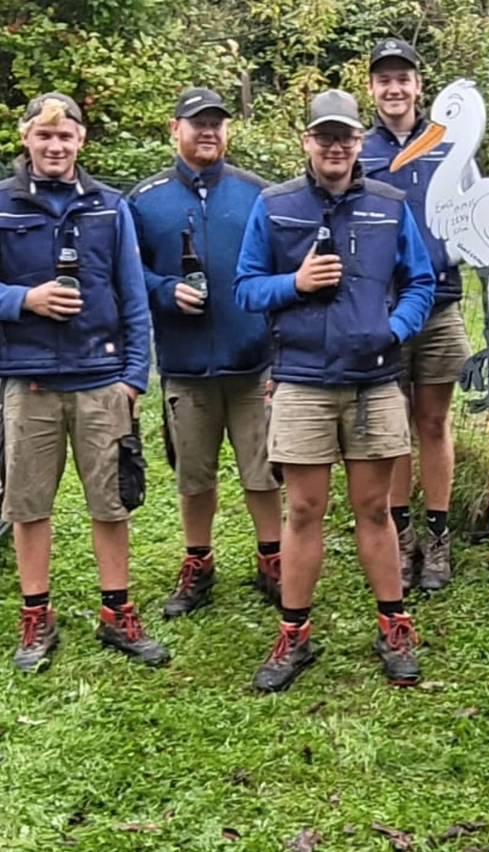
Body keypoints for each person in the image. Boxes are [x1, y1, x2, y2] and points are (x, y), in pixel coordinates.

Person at [234, 89, 435, 692]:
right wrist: (293, 283)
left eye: (345, 136)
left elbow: (421, 281)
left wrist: (392, 330)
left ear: (357, 142)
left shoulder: (389, 204)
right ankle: (294, 633)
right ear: (307, 143)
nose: (336, 146)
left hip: (374, 382)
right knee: (303, 511)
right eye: (324, 136)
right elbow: (245, 289)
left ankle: (393, 624)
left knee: (376, 510)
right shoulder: (275, 206)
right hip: (302, 381)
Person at [0, 93, 169, 671]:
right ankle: (35, 616)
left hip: (102, 381)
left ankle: (117, 612)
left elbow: (133, 296)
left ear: (81, 142)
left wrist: (133, 379)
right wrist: (25, 299)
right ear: (25, 138)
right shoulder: (3, 204)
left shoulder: (108, 205)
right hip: (30, 384)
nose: (55, 146)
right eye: (44, 136)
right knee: (28, 506)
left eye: (65, 137)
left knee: (111, 503)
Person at [129, 87, 282, 618]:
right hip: (186, 363)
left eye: (217, 122)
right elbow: (128, 273)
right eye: (197, 123)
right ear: (176, 130)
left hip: (252, 361)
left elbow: (279, 269)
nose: (208, 131)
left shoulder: (257, 194)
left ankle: (272, 557)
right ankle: (198, 560)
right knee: (194, 474)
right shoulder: (145, 200)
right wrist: (163, 290)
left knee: (262, 469)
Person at [360, 38, 473, 592]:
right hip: (381, 307)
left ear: (418, 86)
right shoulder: (358, 150)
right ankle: (399, 535)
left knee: (432, 422)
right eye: (384, 79)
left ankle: (438, 536)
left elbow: (474, 213)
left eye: (403, 77)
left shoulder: (450, 144)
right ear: (372, 89)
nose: (394, 87)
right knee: (392, 427)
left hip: (442, 302)